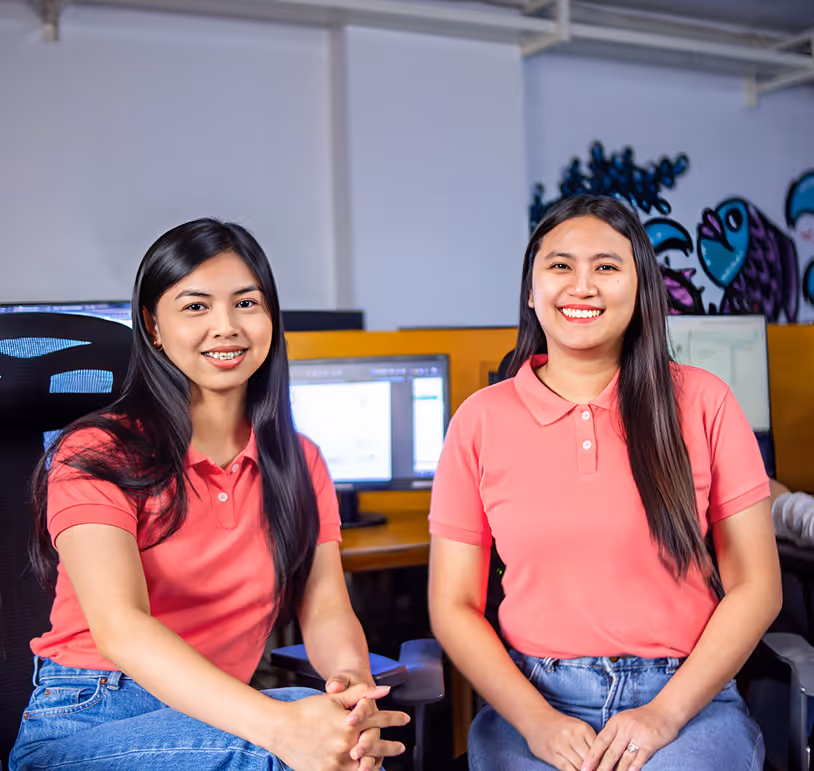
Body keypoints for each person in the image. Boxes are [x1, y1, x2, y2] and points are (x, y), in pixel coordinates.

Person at [10, 219, 408, 771]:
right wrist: (283, 727)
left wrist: (351, 694)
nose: (227, 327)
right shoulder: (99, 451)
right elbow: (120, 628)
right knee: (295, 735)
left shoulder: (298, 460)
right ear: (152, 326)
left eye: (247, 303)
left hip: (222, 714)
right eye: (196, 307)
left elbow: (325, 609)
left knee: (335, 740)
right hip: (88, 721)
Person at [428, 195, 782, 771]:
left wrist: (665, 714)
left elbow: (759, 587)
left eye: (608, 266)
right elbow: (453, 606)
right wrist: (537, 722)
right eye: (561, 265)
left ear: (641, 286)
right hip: (536, 699)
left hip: (686, 697)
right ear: (530, 288)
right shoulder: (479, 420)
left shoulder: (704, 401)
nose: (583, 286)